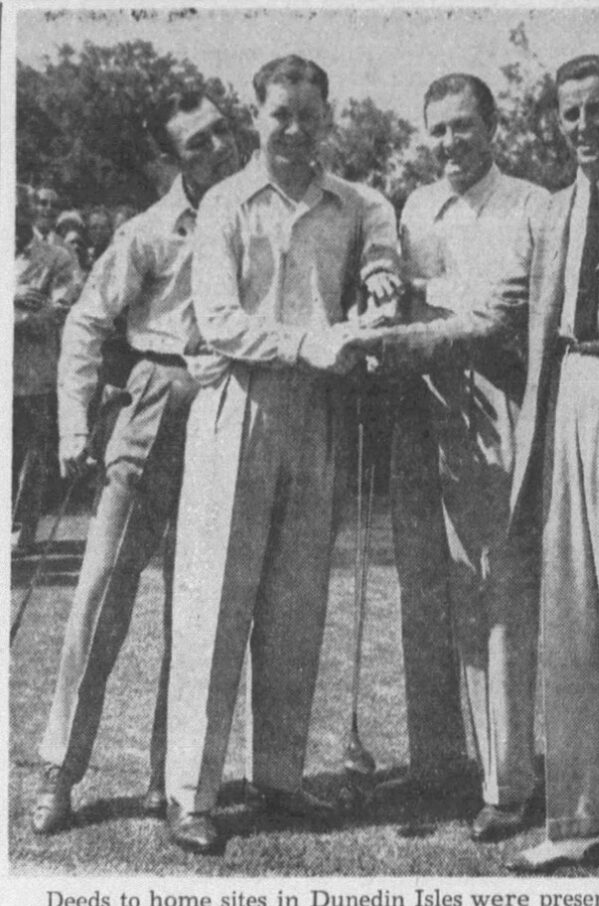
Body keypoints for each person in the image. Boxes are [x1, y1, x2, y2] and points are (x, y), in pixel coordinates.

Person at [364, 54, 599, 877]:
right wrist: (390, 328)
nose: (583, 127)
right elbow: (503, 313)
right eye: (569, 114)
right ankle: (575, 819)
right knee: (564, 622)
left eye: (597, 110)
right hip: (558, 402)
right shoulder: (553, 209)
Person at [163, 54, 400, 854]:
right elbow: (220, 320)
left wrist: (379, 282)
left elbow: (380, 253)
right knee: (217, 603)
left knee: (297, 603)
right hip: (239, 406)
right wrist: (309, 342)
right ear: (256, 115)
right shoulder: (226, 203)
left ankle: (280, 777)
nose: (294, 130)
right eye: (279, 115)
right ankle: (190, 795)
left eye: (308, 115)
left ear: (326, 117)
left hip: (318, 414)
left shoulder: (350, 204)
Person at [31, 92, 240, 835]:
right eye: (197, 144)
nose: (218, 148)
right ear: (174, 161)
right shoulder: (149, 232)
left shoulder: (259, 214)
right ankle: (59, 770)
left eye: (223, 131)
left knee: (201, 608)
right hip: (153, 403)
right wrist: (72, 425)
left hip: (230, 409)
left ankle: (175, 783)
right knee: (102, 594)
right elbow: (86, 324)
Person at [383, 73, 548, 841]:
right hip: (423, 405)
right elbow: (409, 295)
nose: (449, 143)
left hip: (496, 402)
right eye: (437, 130)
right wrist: (381, 311)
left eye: (461, 127)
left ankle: (507, 781)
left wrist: (393, 338)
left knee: (496, 590)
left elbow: (501, 315)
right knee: (428, 586)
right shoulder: (416, 207)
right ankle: (437, 766)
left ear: (493, 127)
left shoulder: (528, 206)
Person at [13, 184, 81, 552]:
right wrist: (13, 299)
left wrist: (21, 315)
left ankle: (22, 532)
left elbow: (57, 312)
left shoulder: (57, 257)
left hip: (35, 375)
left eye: (23, 211)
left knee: (32, 457)